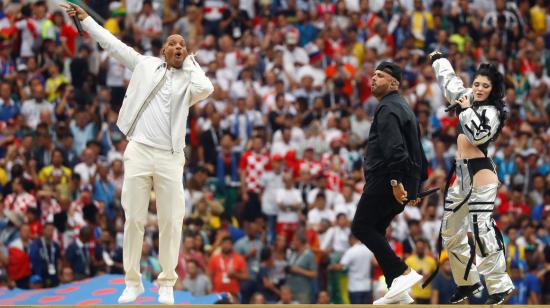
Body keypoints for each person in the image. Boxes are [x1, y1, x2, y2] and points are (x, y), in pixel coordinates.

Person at [60, 2, 214, 305]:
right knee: (134, 219)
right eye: (173, 43)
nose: (178, 46)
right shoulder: (145, 65)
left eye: (183, 44)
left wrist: (191, 62)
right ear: (163, 50)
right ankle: (133, 282)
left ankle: (167, 283)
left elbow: (207, 88)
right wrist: (87, 20)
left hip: (171, 156)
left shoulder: (189, 80)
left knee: (172, 220)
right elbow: (112, 44)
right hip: (140, 150)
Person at [429, 50, 514, 304]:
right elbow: (450, 82)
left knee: (481, 227)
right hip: (462, 174)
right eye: (476, 83)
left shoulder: (493, 112)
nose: (478, 88)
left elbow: (478, 136)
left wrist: (465, 109)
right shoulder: (467, 95)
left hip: (481, 173)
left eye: (484, 86)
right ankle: (468, 281)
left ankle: (500, 285)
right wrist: (439, 60)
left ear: (493, 90)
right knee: (450, 232)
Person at [350, 61, 428, 304]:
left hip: (386, 179)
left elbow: (394, 149)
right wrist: (415, 187)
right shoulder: (404, 108)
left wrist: (396, 181)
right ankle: (397, 289)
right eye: (372, 75)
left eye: (380, 75)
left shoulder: (387, 108)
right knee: (376, 230)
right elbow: (419, 154)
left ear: (394, 82)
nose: (373, 79)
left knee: (361, 227)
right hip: (401, 181)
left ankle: (401, 272)